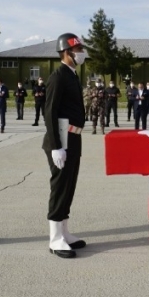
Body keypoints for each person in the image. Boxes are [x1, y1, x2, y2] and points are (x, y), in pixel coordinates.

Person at [42, 33, 88, 259]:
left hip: (74, 138)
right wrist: (56, 146)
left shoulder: (72, 76)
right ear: (66, 52)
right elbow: (49, 112)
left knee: (69, 187)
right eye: (78, 50)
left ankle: (65, 232)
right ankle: (54, 238)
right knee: (59, 188)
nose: (81, 53)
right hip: (62, 139)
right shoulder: (58, 76)